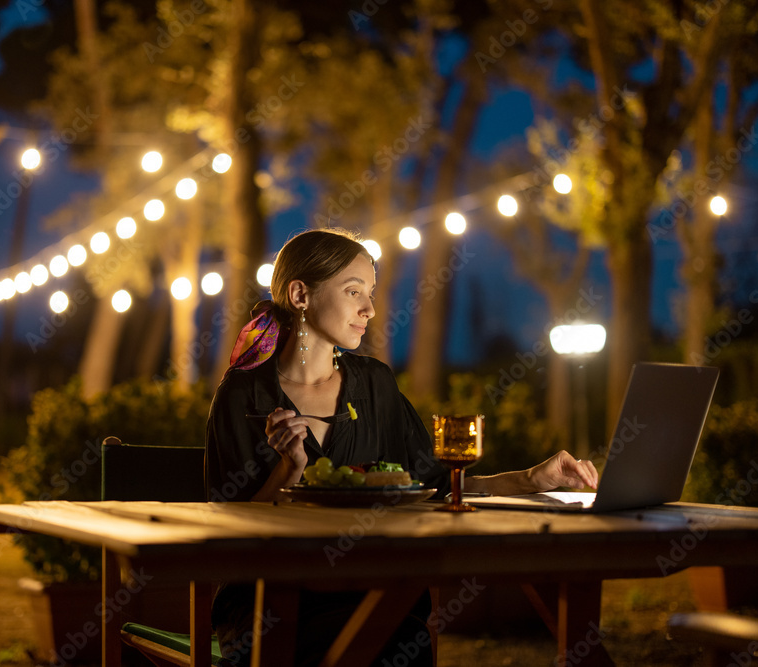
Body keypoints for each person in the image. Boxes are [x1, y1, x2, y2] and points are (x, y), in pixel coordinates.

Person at [205, 228, 599, 666]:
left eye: (371, 293)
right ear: (300, 294)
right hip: (271, 605)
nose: (370, 309)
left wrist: (531, 479)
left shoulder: (375, 385)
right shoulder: (243, 397)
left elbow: (438, 488)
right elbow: (231, 539)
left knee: (394, 635)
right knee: (381, 642)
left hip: (373, 591)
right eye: (353, 291)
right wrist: (289, 471)